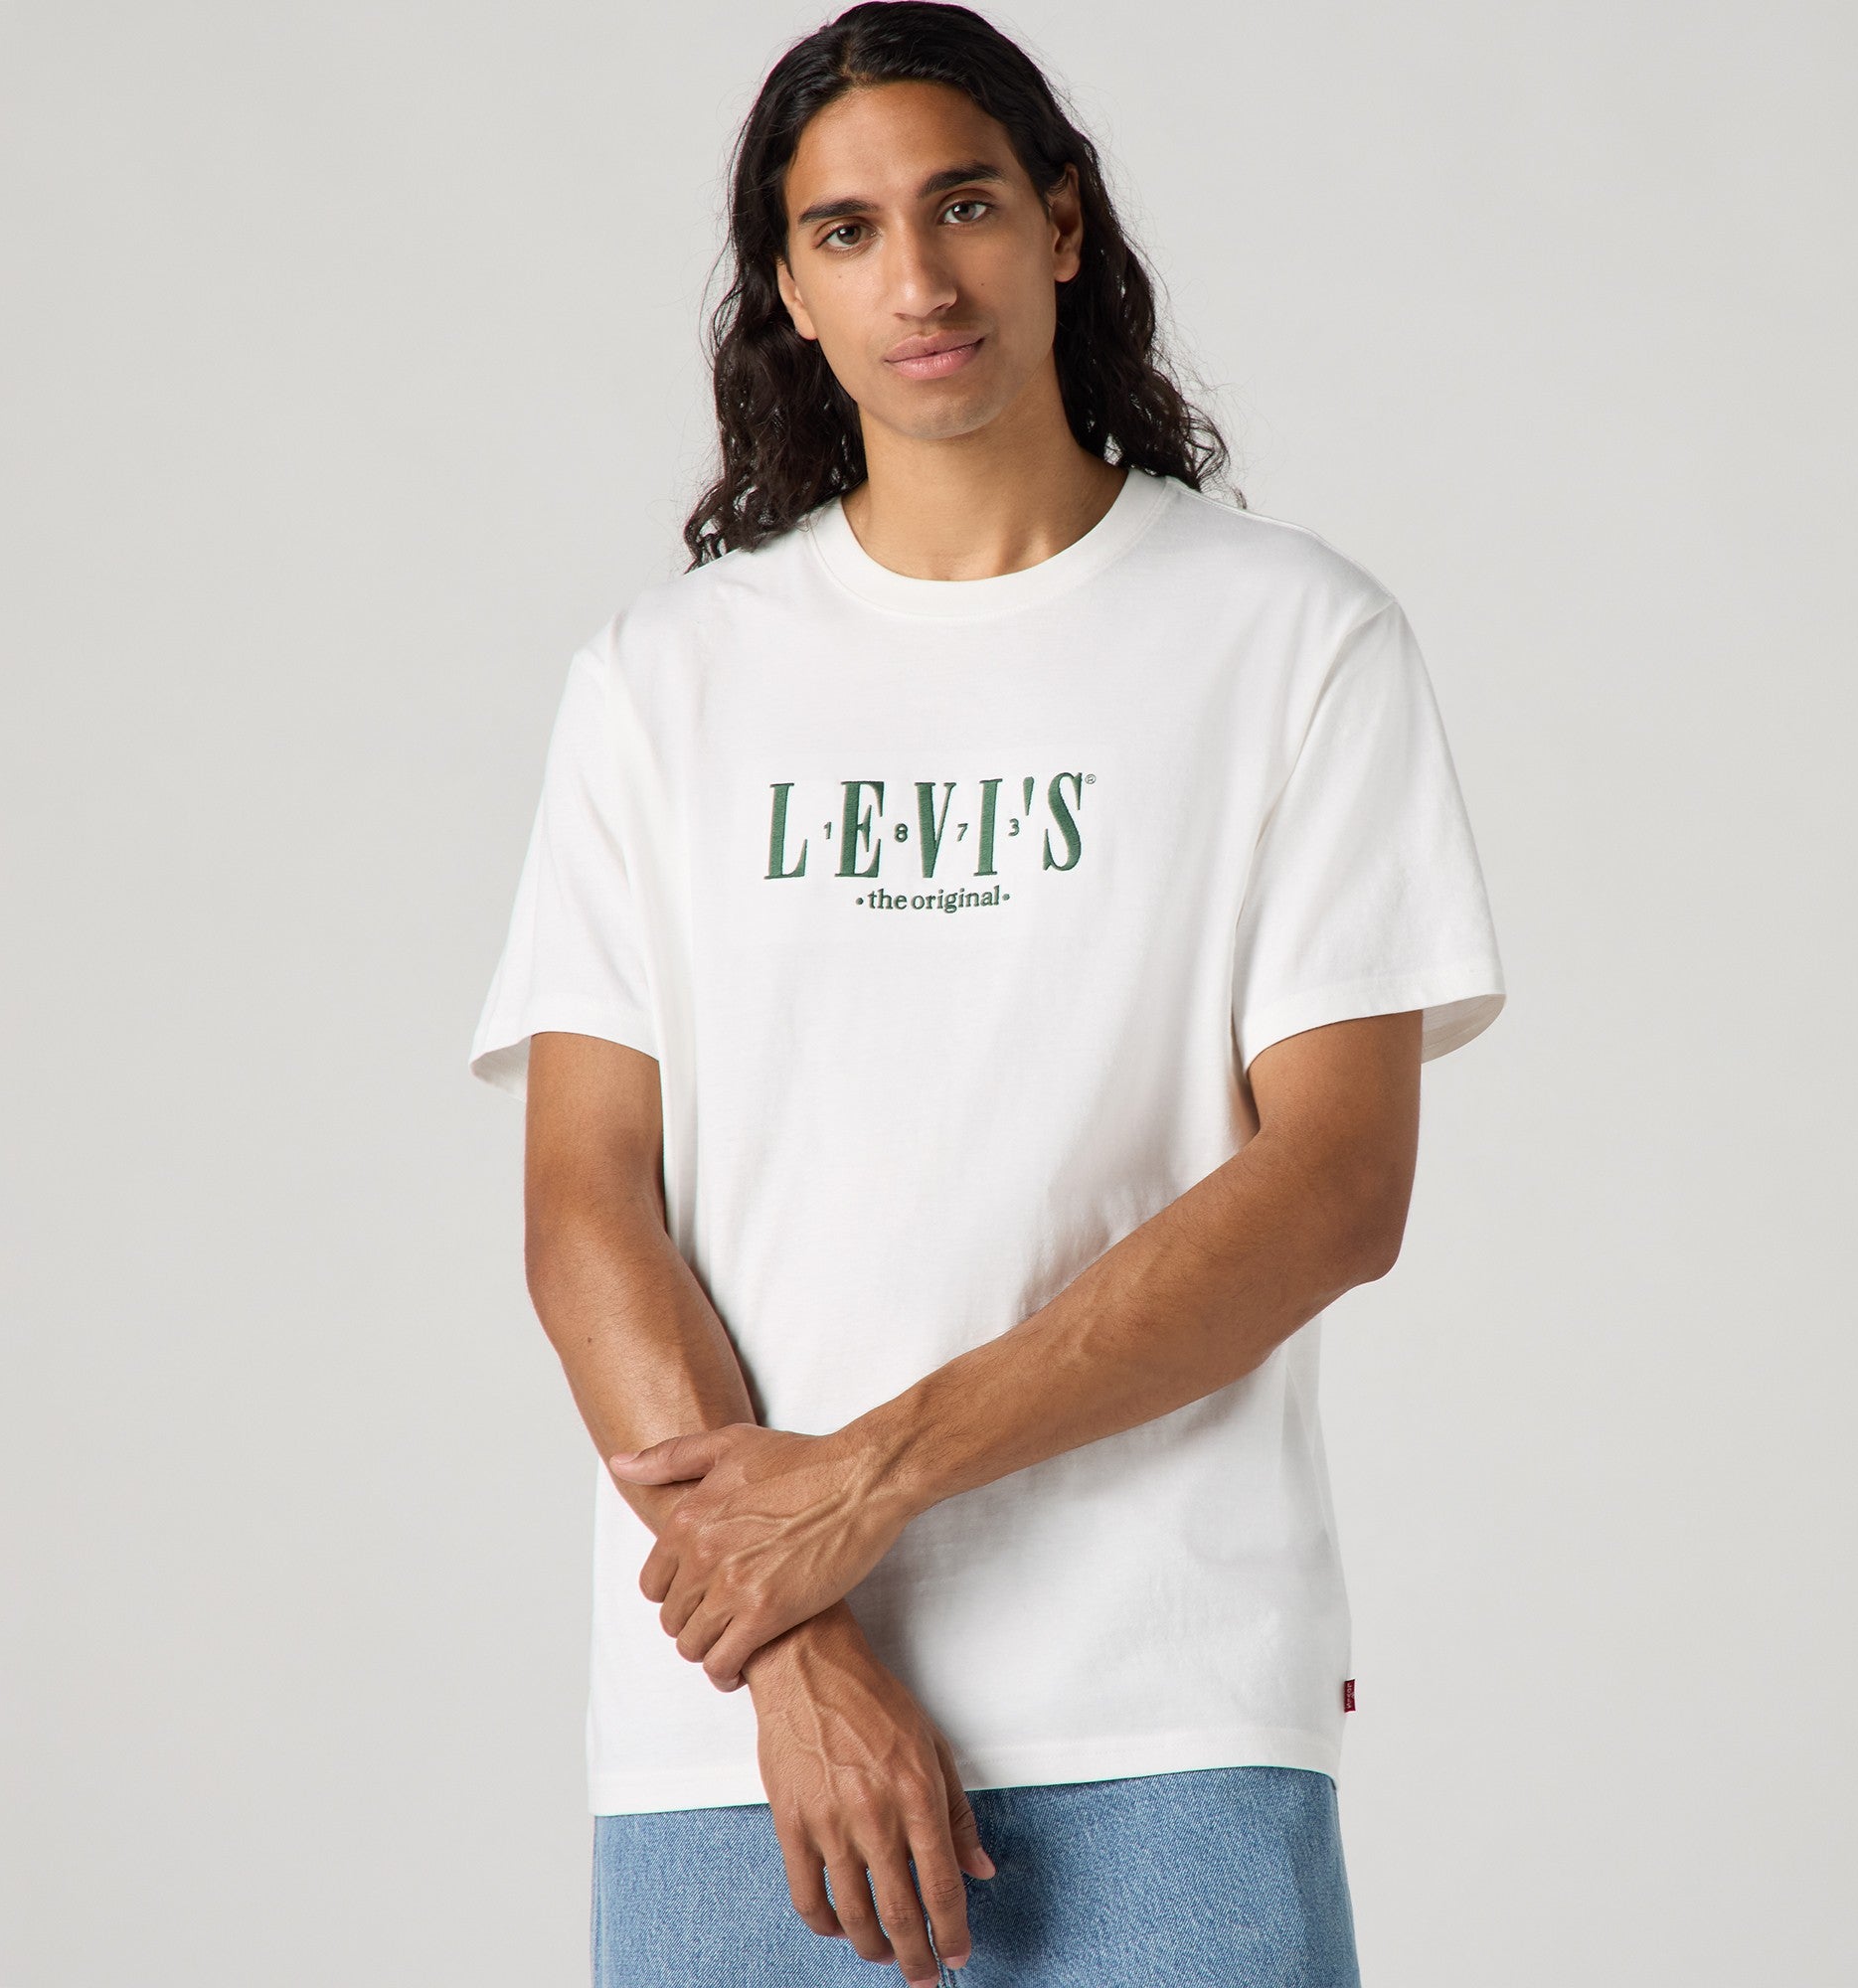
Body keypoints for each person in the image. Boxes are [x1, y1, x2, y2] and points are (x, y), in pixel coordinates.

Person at [468, 6, 1503, 1981]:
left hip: (1161, 1708)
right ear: (787, 290)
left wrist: (862, 1485)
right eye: (845, 231)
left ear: (1063, 226)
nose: (918, 281)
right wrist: (792, 1634)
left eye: (962, 206)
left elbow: (1336, 1188)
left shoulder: (1290, 642)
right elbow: (585, 1198)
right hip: (741, 1738)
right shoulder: (662, 683)